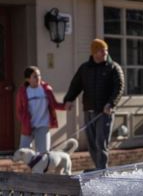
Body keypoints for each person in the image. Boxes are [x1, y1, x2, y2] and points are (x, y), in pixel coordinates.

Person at [64, 39, 124, 170]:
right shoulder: (85, 68)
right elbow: (75, 85)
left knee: (100, 143)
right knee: (91, 144)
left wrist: (111, 103)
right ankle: (99, 169)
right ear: (94, 52)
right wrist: (69, 100)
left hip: (105, 112)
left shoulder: (113, 67)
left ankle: (102, 171)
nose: (105, 53)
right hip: (89, 110)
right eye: (102, 50)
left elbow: (118, 88)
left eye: (106, 50)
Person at [16, 66, 65, 153]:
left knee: (43, 153)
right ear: (28, 79)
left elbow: (54, 104)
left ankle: (42, 167)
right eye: (35, 76)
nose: (38, 78)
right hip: (28, 126)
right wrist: (24, 120)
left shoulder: (46, 89)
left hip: (43, 125)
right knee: (23, 152)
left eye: (39, 75)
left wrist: (65, 106)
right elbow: (19, 110)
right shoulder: (23, 91)